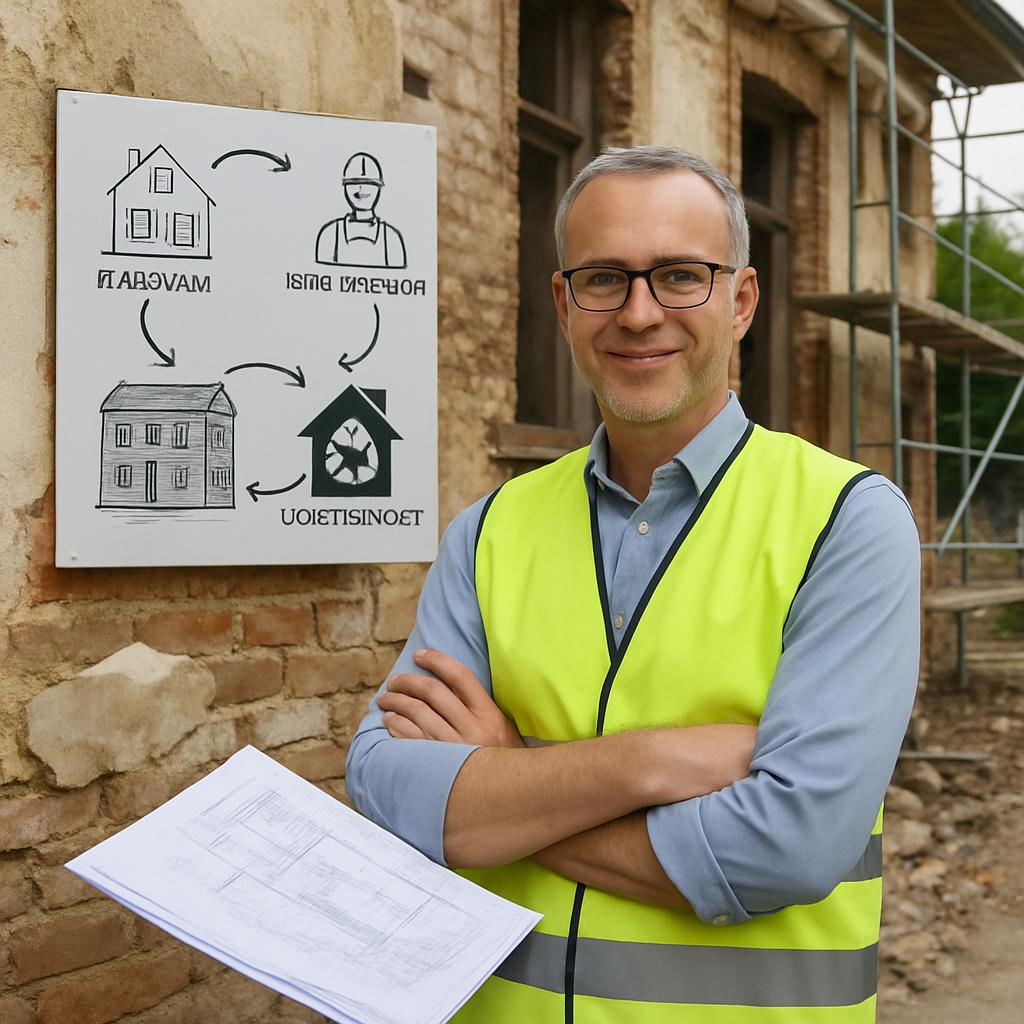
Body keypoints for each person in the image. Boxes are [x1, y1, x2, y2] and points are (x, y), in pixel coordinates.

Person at [346, 145, 920, 1023]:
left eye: (681, 276)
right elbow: (388, 785)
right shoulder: (489, 530)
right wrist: (656, 761)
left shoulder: (846, 521)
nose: (640, 313)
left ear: (742, 301)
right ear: (564, 302)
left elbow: (788, 847)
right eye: (605, 278)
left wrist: (508, 778)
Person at [315, 152, 407, 268]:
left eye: (369, 183)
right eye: (353, 183)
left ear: (379, 188)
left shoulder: (390, 237)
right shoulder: (330, 233)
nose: (361, 188)